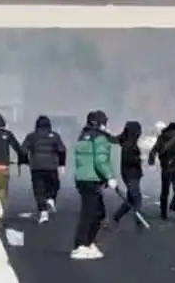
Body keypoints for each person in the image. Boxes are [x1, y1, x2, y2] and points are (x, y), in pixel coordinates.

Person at [71, 111, 117, 260]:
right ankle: (82, 245)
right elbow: (100, 160)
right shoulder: (100, 138)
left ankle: (88, 243)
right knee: (93, 214)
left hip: (82, 179)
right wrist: (110, 176)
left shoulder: (83, 136)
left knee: (94, 212)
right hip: (93, 179)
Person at [21, 115, 67, 223]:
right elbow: (62, 150)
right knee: (54, 184)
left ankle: (43, 211)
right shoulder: (55, 136)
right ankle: (51, 199)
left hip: (36, 166)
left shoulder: (31, 136)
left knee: (39, 190)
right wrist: (62, 164)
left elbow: (23, 150)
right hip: (51, 166)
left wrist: (25, 161)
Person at [111, 121, 144, 230]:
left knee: (131, 199)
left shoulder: (127, 142)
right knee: (136, 198)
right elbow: (129, 160)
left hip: (131, 173)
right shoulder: (129, 145)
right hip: (131, 174)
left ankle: (116, 217)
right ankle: (139, 221)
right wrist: (138, 159)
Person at [148, 121, 175, 219]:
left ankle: (163, 212)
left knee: (165, 190)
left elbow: (154, 150)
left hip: (166, 166)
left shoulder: (162, 137)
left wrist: (151, 160)